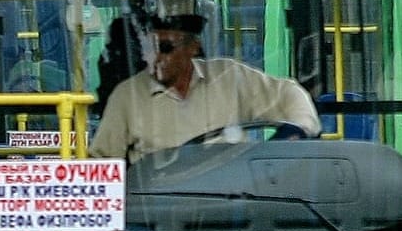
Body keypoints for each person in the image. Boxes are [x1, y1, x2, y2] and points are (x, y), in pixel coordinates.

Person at [89, 12, 320, 161]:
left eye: (166, 48)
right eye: (148, 48)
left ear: (193, 48)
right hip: (161, 214)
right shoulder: (126, 96)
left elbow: (290, 94)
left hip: (233, 206)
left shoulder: (230, 77)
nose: (155, 57)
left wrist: (294, 133)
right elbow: (102, 161)